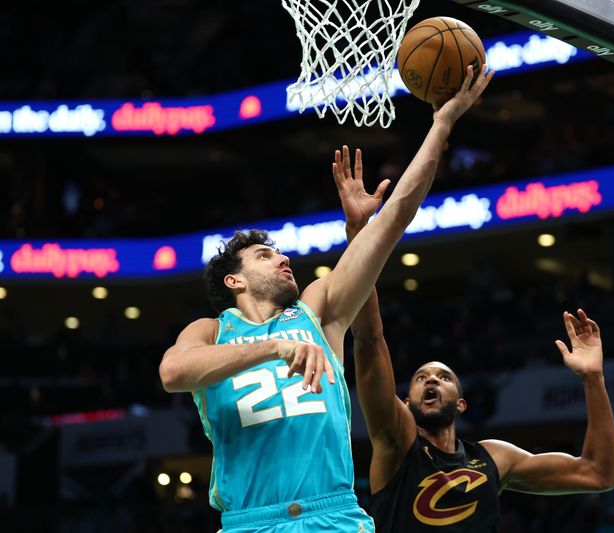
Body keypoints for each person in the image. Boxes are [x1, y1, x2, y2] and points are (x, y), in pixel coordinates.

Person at [158, 65, 494, 533]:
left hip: (331, 516)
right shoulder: (211, 331)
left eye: (280, 252)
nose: (282, 259)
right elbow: (173, 374)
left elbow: (396, 216)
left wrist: (440, 125)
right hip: (248, 522)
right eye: (264, 255)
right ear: (233, 282)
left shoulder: (319, 312)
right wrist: (273, 348)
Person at [338, 176, 614, 531]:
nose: (431, 381)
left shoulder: (493, 458)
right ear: (405, 403)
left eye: (444, 377)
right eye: (421, 377)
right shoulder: (395, 443)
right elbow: (368, 338)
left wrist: (593, 379)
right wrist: (358, 232)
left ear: (461, 403)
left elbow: (599, 474)